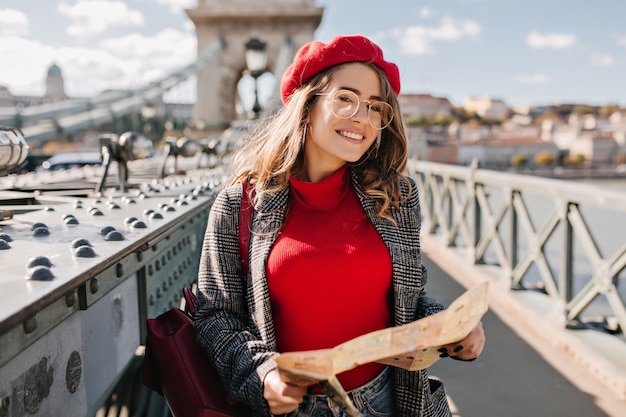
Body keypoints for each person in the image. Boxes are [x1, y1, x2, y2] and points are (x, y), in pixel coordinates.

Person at [194, 34, 485, 417]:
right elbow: (214, 316)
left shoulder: (397, 197)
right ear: (307, 104)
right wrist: (263, 376)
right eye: (345, 98)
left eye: (375, 107)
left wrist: (451, 328)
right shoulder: (238, 204)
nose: (362, 118)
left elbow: (407, 302)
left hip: (388, 402)